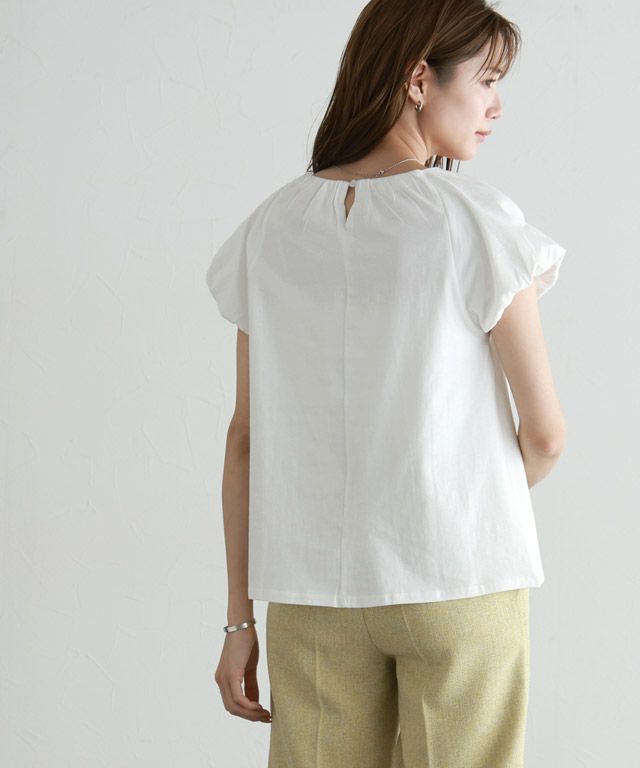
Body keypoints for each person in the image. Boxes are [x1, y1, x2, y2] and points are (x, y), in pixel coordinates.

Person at [207, 0, 567, 765]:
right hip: (457, 581)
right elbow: (545, 435)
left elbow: (245, 442)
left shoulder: (270, 229)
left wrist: (240, 621)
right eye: (486, 80)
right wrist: (455, 508)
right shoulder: (475, 221)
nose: (497, 105)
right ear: (418, 79)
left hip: (311, 594)